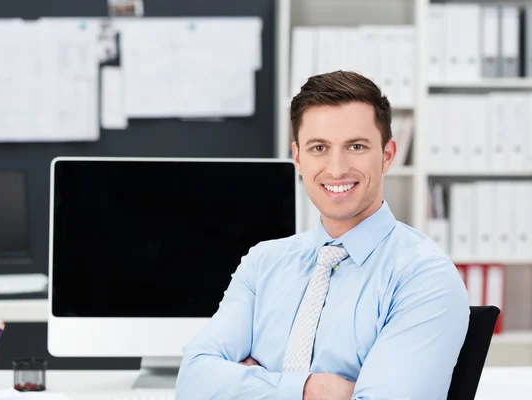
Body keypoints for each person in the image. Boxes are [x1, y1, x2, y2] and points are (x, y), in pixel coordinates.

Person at [175, 71, 470, 400]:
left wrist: (252, 383)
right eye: (319, 148)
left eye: (356, 146)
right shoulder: (263, 263)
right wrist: (311, 389)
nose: (336, 169)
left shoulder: (423, 276)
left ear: (387, 155)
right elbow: (192, 383)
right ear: (298, 157)